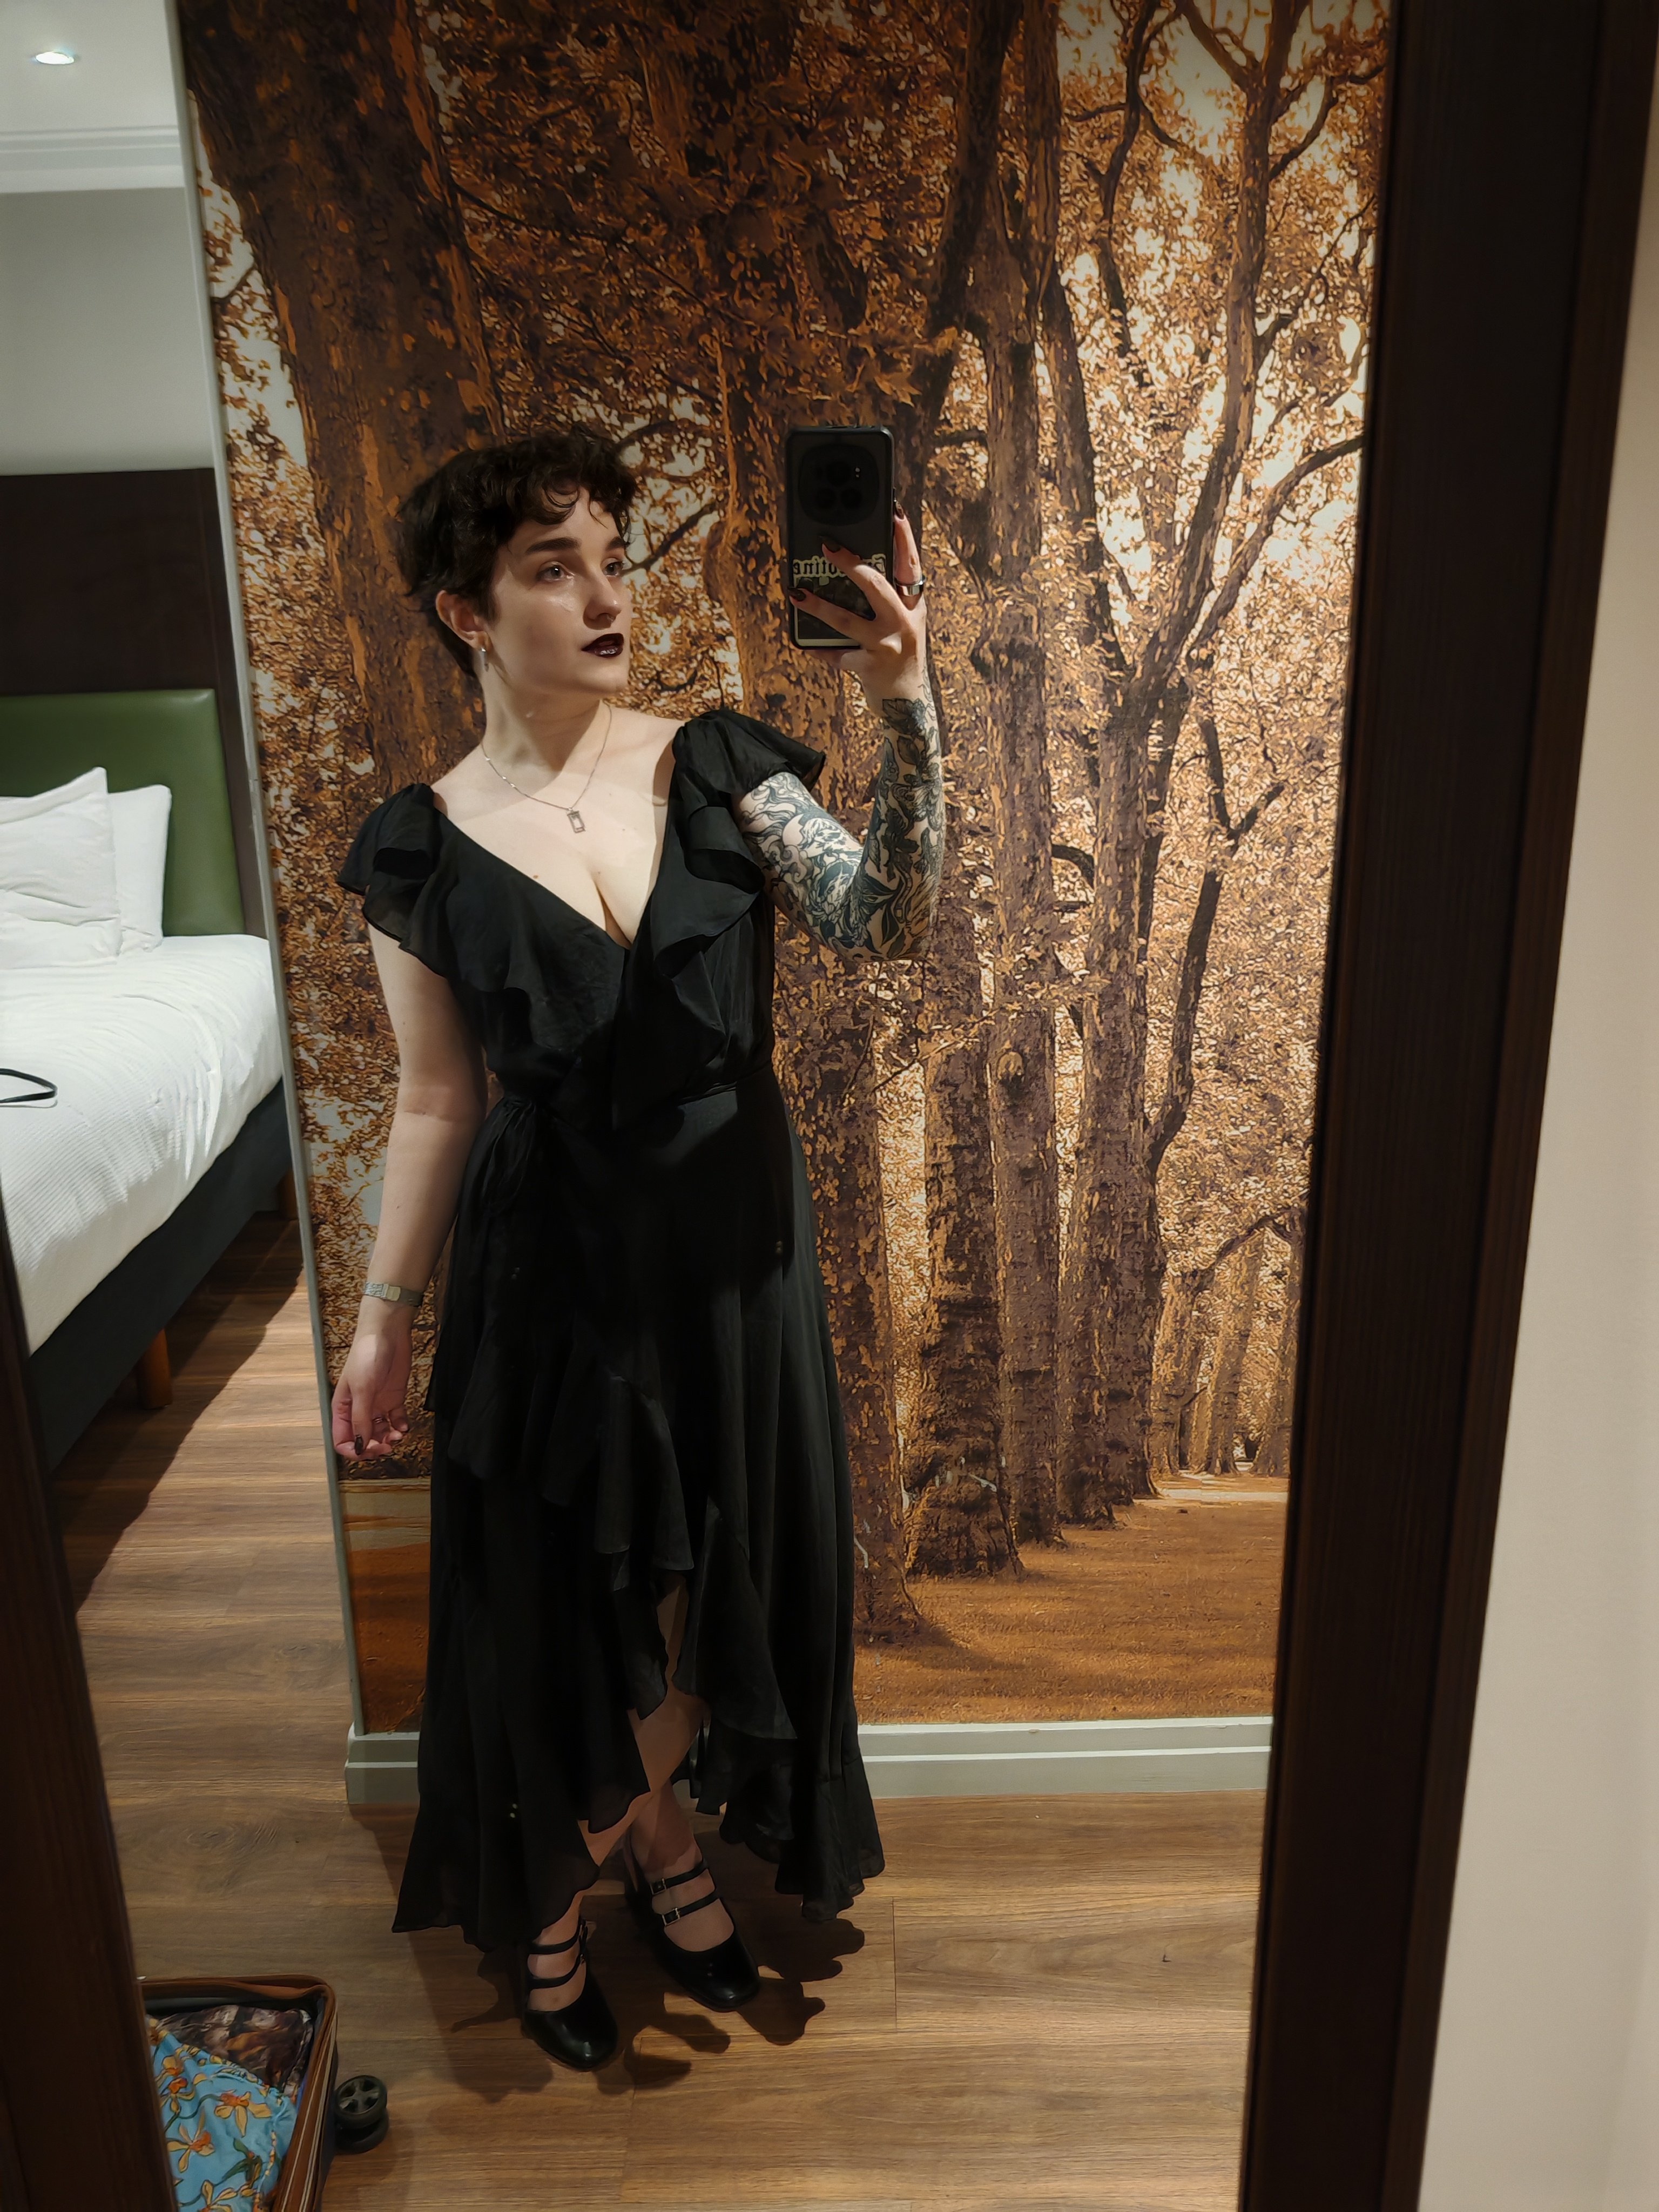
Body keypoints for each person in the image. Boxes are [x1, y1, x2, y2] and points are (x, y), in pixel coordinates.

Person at [332, 428, 943, 2069]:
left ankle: (618, 1856)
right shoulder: (421, 844)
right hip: (556, 1273)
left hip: (738, 1263)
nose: (608, 597)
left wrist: (904, 700)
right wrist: (384, 1324)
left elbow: (885, 918)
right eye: (556, 569)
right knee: (583, 1591)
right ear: (466, 612)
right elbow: (437, 1099)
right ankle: (604, 1874)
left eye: (615, 560)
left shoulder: (721, 766)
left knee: (716, 1581)